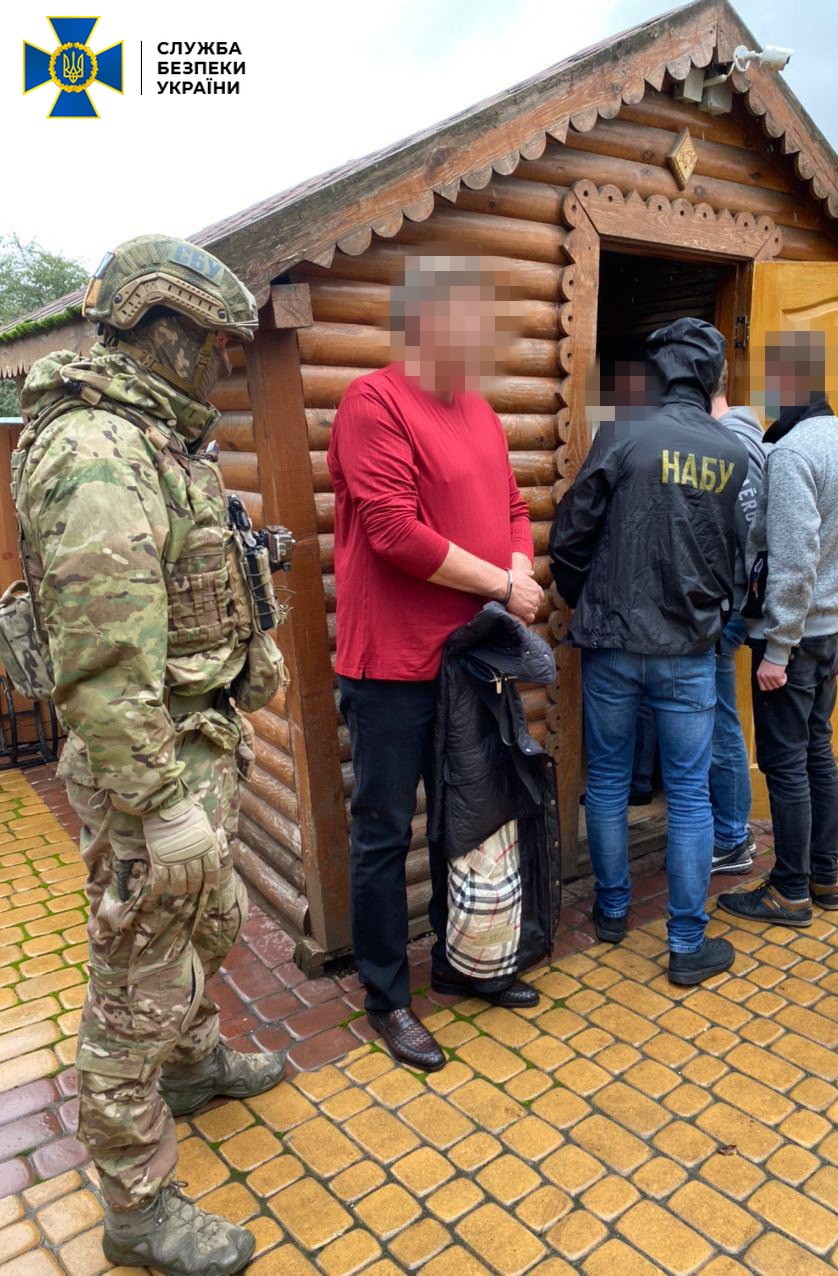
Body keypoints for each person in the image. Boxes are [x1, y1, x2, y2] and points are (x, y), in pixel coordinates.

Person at [14, 237, 289, 1275]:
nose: (221, 360)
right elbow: (101, 666)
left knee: (201, 925)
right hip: (150, 766)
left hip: (194, 741)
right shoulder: (97, 455)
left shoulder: (156, 439)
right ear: (160, 331)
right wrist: (161, 805)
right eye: (213, 341)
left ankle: (193, 1062)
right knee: (137, 980)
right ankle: (137, 1206)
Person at [328, 254, 545, 1074]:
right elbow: (394, 532)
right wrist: (502, 585)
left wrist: (518, 570)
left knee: (468, 818)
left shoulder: (478, 410)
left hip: (467, 664)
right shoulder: (372, 402)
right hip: (390, 668)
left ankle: (464, 964)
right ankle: (388, 998)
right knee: (385, 833)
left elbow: (514, 506)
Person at [550, 317, 747, 985]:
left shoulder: (624, 431)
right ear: (710, 375)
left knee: (607, 780)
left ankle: (611, 912)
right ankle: (687, 945)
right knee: (689, 794)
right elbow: (738, 556)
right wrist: (717, 618)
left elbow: (571, 531)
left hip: (612, 641)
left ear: (660, 369)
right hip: (688, 648)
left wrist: (584, 596)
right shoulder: (731, 451)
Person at [719, 330, 838, 929]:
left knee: (786, 763)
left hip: (794, 636)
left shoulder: (792, 453)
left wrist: (778, 647)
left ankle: (789, 891)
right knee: (817, 752)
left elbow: (791, 557)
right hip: (831, 628)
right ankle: (823, 877)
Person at [709, 361, 767, 873]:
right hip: (727, 606)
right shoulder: (740, 436)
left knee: (718, 722)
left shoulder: (734, 443)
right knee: (715, 719)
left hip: (725, 609)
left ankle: (730, 836)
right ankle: (726, 830)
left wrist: (741, 604)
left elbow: (751, 536)